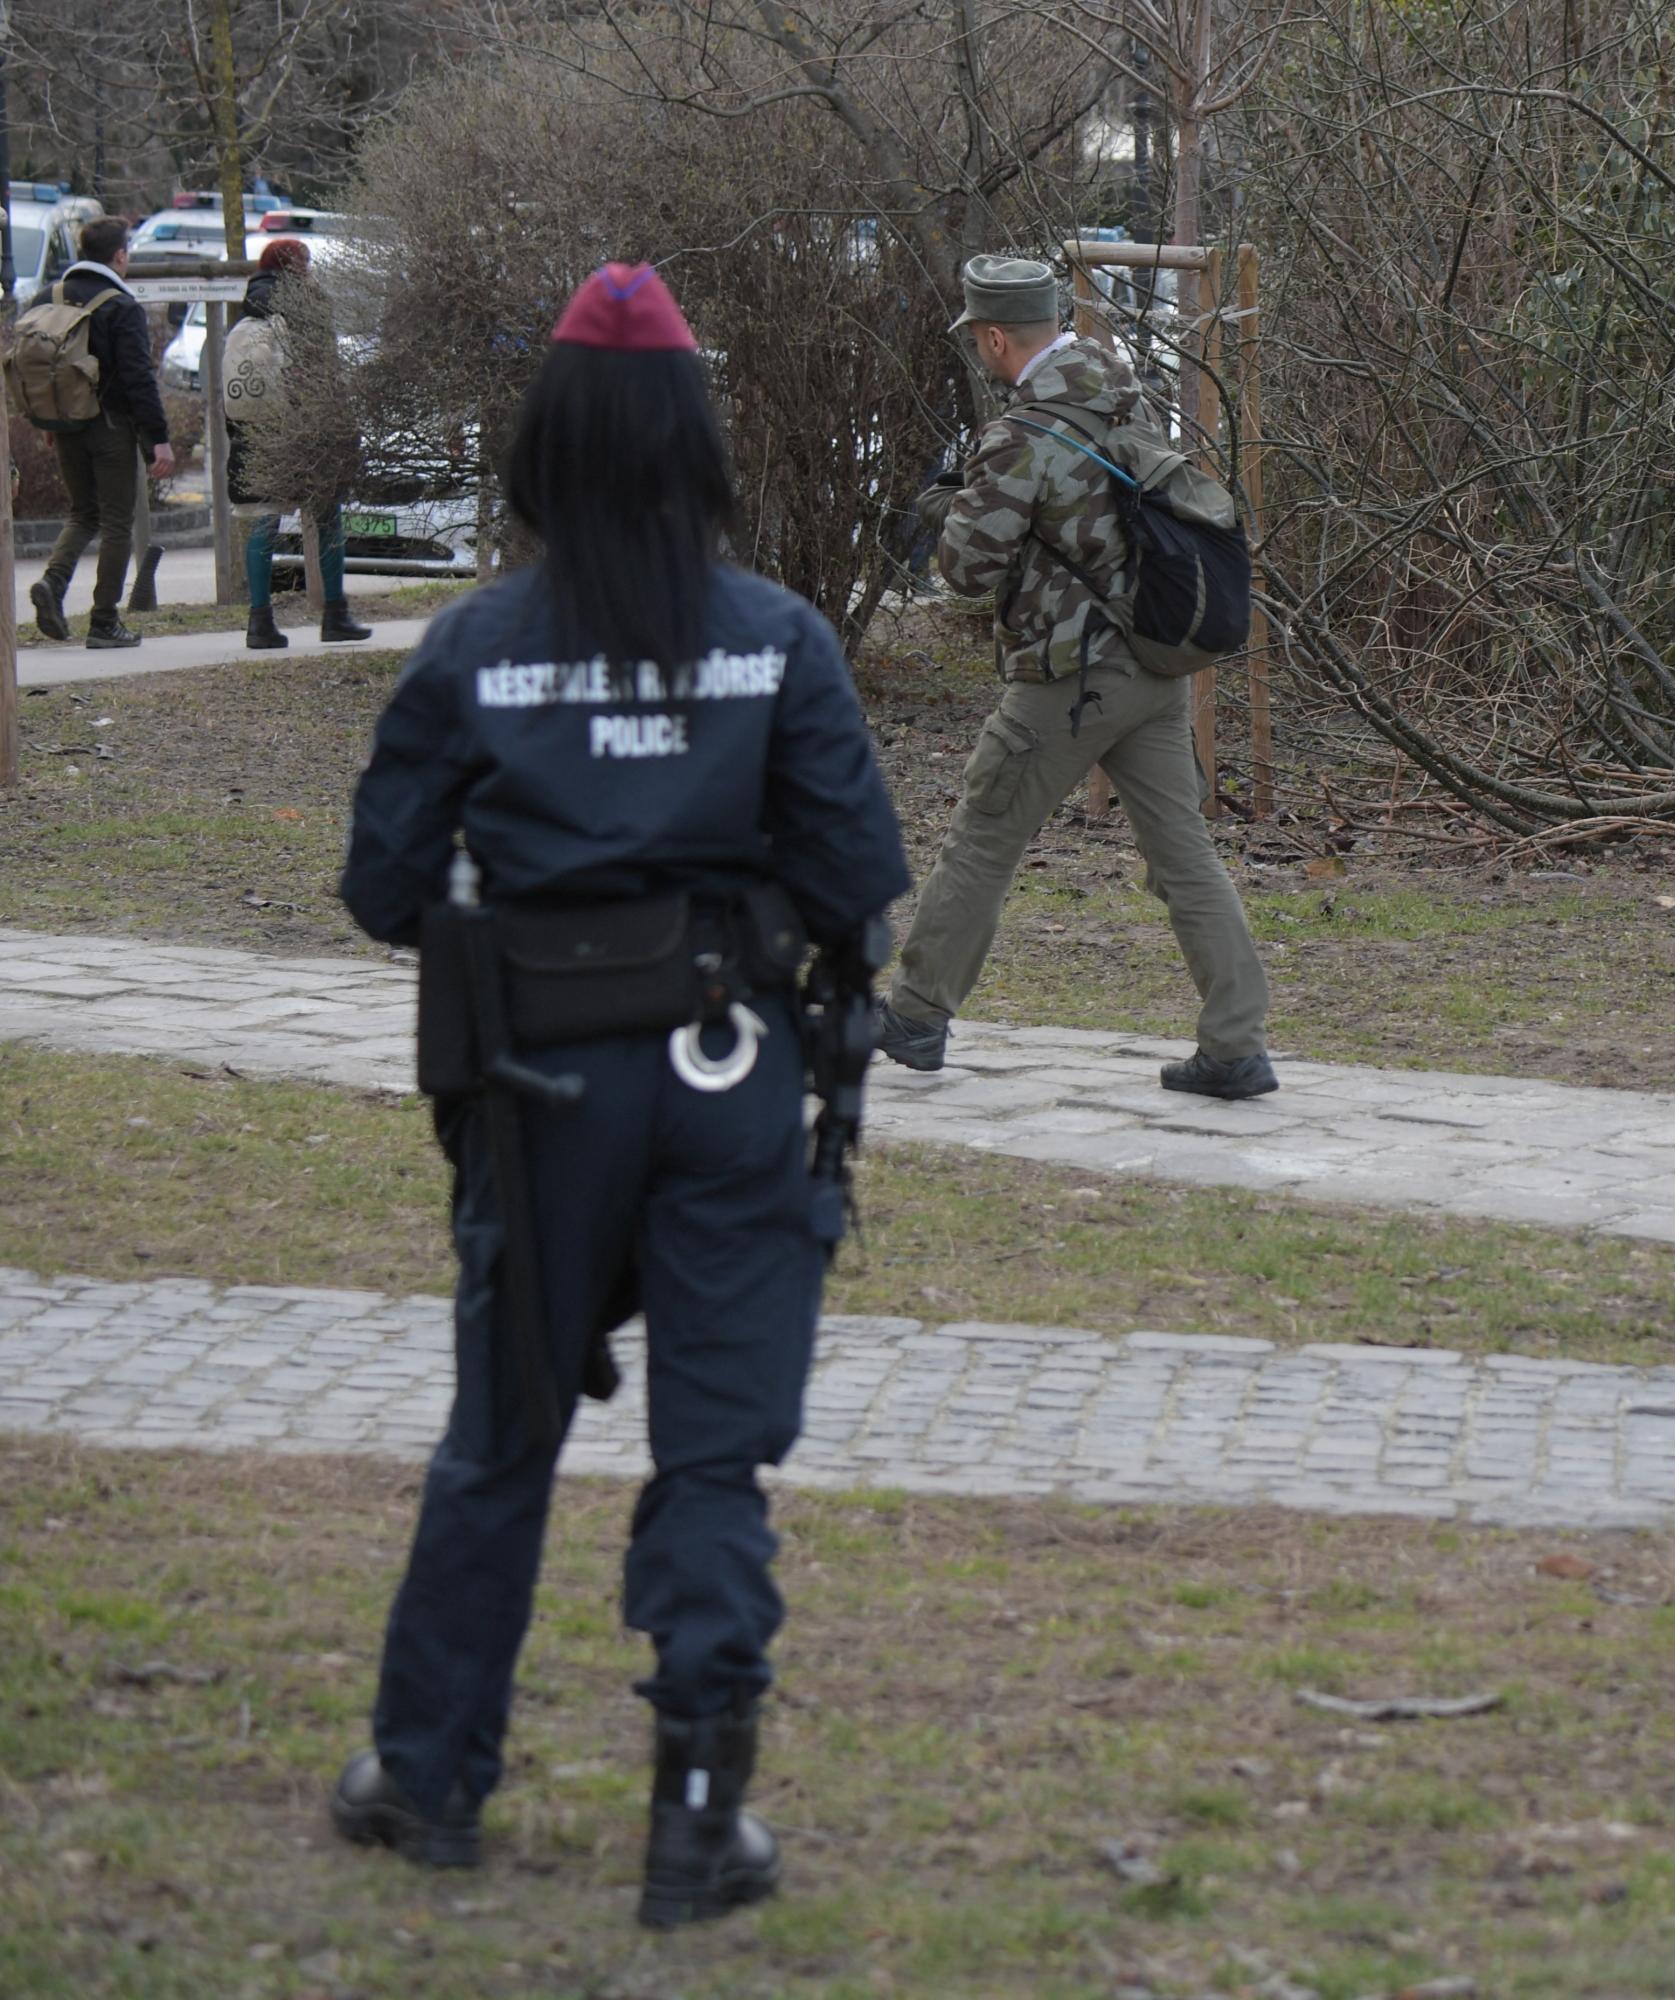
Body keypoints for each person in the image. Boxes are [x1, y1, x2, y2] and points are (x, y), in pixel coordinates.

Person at [329, 262, 910, 1928]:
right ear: (697, 444)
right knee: (714, 1454)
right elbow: (858, 874)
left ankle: (429, 1780)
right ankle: (698, 1819)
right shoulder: (778, 642)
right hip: (731, 1076)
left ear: (546, 450)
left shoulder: (479, 648)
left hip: (539, 1091)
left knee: (501, 1441)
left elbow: (382, 887)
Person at [876, 253, 1275, 1099]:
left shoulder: (1022, 437)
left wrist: (944, 505)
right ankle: (1236, 1043)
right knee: (1185, 856)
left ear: (994, 338)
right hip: (1153, 669)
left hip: (1068, 676)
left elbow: (965, 572)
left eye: (978, 342)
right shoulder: (1125, 399)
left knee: (985, 836)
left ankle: (914, 1015)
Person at [27, 216, 175, 650]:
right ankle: (104, 621)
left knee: (81, 514)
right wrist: (158, 438)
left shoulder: (47, 296)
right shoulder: (120, 306)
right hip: (110, 428)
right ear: (120, 256)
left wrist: (48, 419)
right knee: (116, 524)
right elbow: (137, 379)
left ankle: (53, 585)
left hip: (65, 424)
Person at [233, 235, 372, 650]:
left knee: (265, 517)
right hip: (309, 421)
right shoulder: (307, 302)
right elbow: (324, 365)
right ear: (297, 266)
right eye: (307, 262)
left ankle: (259, 621)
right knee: (327, 514)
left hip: (260, 423)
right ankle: (335, 615)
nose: (312, 269)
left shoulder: (247, 306)